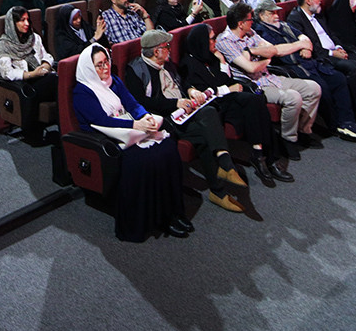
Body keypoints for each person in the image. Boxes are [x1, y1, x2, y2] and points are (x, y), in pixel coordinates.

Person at [71, 44, 190, 241]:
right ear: (90, 68)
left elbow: (132, 104)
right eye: (99, 65)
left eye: (106, 62)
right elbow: (101, 121)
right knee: (145, 159)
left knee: (167, 148)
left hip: (129, 128)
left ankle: (171, 212)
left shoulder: (113, 80)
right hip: (107, 138)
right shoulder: (82, 91)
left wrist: (145, 116)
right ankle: (152, 219)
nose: (105, 68)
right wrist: (135, 124)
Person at [123, 29, 247, 213]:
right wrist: (176, 103)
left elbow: (181, 82)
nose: (170, 49)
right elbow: (141, 103)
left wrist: (191, 91)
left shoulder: (167, 64)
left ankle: (224, 161)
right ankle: (218, 190)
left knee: (210, 111)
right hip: (165, 119)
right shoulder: (135, 70)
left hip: (185, 110)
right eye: (166, 46)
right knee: (205, 137)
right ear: (156, 51)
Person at [178, 23, 291, 185]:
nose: (215, 42)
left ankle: (261, 154)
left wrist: (222, 62)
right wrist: (227, 89)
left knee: (256, 101)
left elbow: (224, 80)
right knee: (252, 103)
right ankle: (265, 157)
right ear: (201, 41)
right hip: (215, 106)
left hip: (228, 99)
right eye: (211, 39)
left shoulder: (212, 57)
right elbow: (206, 92)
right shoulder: (188, 64)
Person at [253, 0, 356, 145]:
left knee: (338, 78)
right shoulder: (260, 31)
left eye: (276, 12)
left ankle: (348, 121)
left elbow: (305, 38)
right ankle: (335, 124)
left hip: (310, 62)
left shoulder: (285, 25)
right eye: (271, 13)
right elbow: (277, 50)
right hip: (292, 67)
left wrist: (306, 47)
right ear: (261, 16)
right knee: (322, 86)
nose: (276, 15)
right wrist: (300, 45)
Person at [214, 3, 321, 162]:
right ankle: (288, 139)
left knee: (313, 88)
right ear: (241, 23)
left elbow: (273, 49)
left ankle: (303, 130)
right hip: (256, 85)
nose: (253, 22)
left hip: (270, 76)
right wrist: (266, 59)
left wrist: (253, 51)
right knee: (293, 97)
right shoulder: (225, 41)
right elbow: (250, 67)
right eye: (250, 19)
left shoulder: (250, 32)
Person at [0, 7, 57, 139]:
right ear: (13, 23)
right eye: (22, 20)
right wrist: (32, 74)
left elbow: (46, 55)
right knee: (55, 81)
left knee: (58, 81)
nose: (27, 24)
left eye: (28, 20)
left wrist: (46, 64)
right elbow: (7, 73)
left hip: (40, 77)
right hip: (23, 83)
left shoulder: (34, 37)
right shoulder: (4, 45)